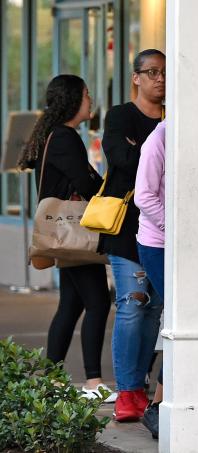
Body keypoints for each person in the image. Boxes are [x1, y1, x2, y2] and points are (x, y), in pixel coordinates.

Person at [18, 75, 115, 404]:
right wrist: (109, 185)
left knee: (72, 304)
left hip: (63, 232)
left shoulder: (54, 135)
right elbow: (87, 184)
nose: (91, 100)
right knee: (98, 302)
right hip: (73, 232)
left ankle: (52, 380)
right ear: (73, 100)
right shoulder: (64, 137)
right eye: (87, 95)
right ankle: (92, 381)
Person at [102, 49, 165, 422]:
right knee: (132, 304)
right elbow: (121, 160)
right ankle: (126, 391)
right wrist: (153, 153)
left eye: (164, 73)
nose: (159, 79)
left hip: (164, 227)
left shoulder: (176, 116)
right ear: (136, 78)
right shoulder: (121, 115)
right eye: (152, 72)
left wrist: (141, 151)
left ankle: (140, 386)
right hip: (128, 226)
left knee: (156, 310)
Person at [133, 120, 167, 440]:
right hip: (158, 244)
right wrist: (175, 227)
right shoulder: (159, 138)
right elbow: (143, 196)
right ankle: (157, 404)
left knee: (176, 318)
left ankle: (159, 402)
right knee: (178, 319)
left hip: (192, 245)